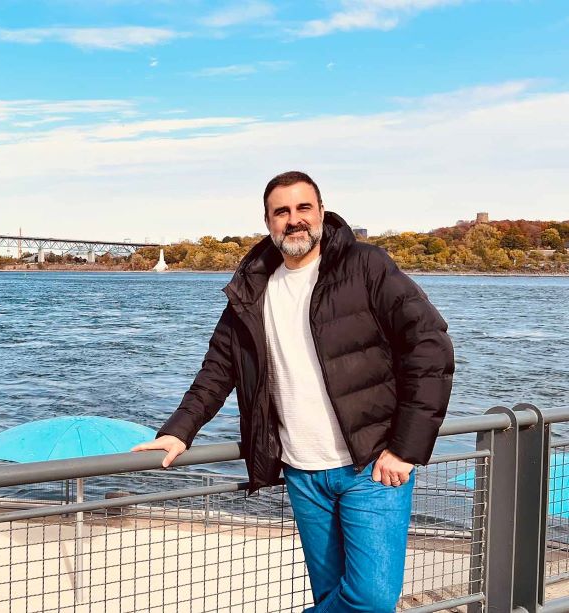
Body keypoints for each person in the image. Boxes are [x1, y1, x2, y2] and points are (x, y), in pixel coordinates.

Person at [132, 171, 455, 612]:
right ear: (267, 221)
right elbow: (217, 370)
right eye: (281, 211)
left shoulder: (366, 266)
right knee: (329, 596)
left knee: (372, 599)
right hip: (303, 472)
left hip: (372, 467)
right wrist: (179, 430)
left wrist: (405, 447)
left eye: (304, 208)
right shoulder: (251, 289)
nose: (294, 220)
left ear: (321, 212)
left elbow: (430, 347)